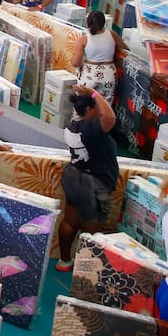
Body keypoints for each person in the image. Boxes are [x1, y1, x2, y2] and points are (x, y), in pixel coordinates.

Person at [56, 86, 119, 271]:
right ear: (90, 110)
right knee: (93, 231)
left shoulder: (72, 126)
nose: (102, 109)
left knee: (69, 221)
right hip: (92, 184)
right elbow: (110, 118)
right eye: (99, 105)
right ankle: (86, 273)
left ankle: (64, 261)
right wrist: (94, 93)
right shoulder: (91, 127)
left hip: (73, 176)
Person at [72, 10, 122, 105]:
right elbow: (125, 49)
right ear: (104, 22)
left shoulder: (84, 38)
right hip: (108, 75)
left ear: (88, 22)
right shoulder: (112, 34)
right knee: (104, 105)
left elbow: (75, 63)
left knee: (83, 105)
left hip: (89, 75)